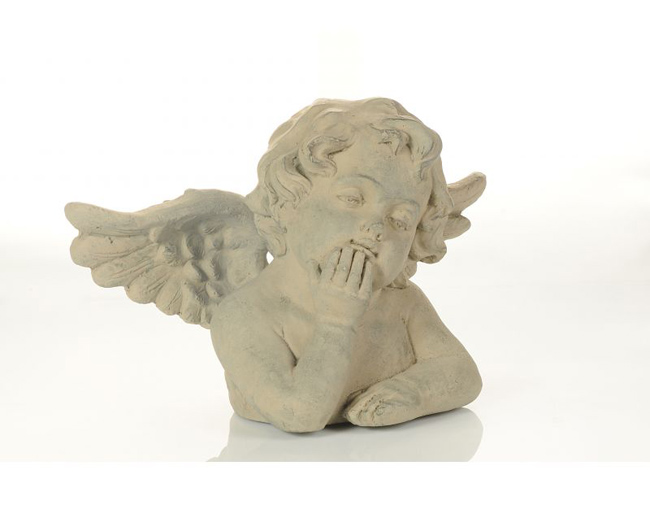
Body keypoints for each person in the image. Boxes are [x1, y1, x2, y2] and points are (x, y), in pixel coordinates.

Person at [212, 98, 483, 432]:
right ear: (287, 203)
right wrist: (336, 322)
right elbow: (298, 414)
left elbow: (463, 374)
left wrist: (413, 393)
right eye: (353, 199)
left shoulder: (401, 302)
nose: (376, 227)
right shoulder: (245, 314)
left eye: (400, 219)